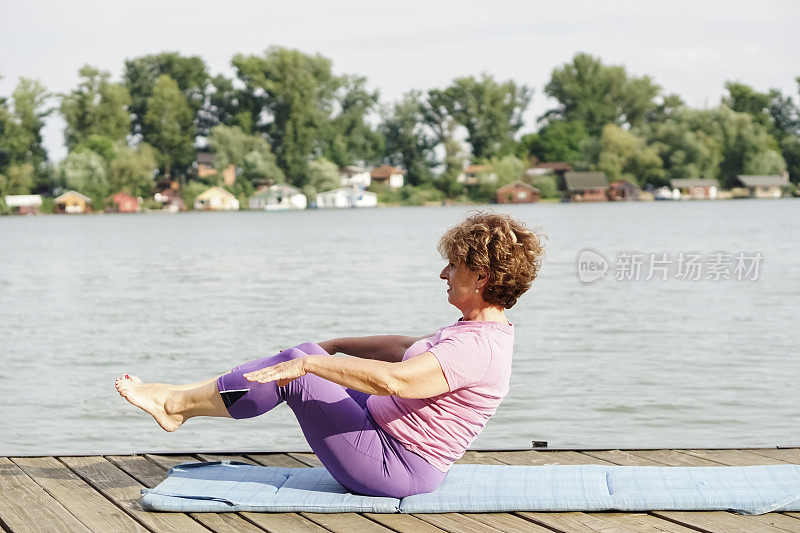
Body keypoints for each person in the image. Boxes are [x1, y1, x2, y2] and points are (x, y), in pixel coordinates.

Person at [115, 212, 544, 498]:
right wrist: (335, 345)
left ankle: (176, 405)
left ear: (482, 276)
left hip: (396, 465)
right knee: (302, 355)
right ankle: (186, 396)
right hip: (385, 433)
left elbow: (400, 379)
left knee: (300, 371)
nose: (443, 273)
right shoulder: (476, 331)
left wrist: (314, 364)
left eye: (453, 265)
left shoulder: (477, 347)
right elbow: (401, 349)